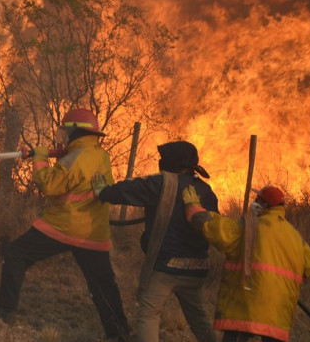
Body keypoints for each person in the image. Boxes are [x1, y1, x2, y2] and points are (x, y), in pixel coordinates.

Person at [0, 108, 130, 341]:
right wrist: (52, 153)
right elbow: (76, 167)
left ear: (74, 132)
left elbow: (50, 186)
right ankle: (119, 333)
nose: (62, 136)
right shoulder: (98, 154)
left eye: (65, 131)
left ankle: (4, 309)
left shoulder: (75, 157)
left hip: (63, 226)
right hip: (94, 231)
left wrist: (40, 159)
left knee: (16, 254)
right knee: (103, 284)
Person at [91, 141, 218, 342]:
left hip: (168, 267)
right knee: (199, 317)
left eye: (164, 158)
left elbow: (128, 190)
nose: (160, 162)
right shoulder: (205, 190)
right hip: (197, 267)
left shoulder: (162, 183)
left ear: (172, 161)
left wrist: (103, 191)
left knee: (148, 313)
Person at [182, 184, 310, 342]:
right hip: (278, 313)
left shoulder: (249, 227)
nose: (254, 202)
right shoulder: (296, 237)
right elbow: (308, 266)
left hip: (247, 306)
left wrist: (193, 209)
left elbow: (217, 229)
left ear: (265, 205)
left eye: (258, 199)